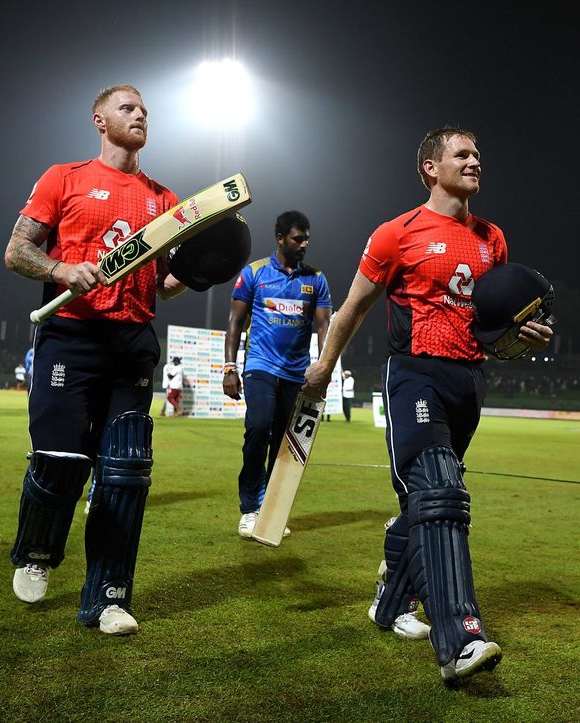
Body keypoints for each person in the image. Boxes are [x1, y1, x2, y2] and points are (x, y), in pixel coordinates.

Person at [302, 127, 552, 682]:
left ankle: (389, 605)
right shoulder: (397, 233)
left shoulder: (494, 239)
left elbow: (496, 325)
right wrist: (324, 366)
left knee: (426, 503)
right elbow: (352, 308)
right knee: (440, 490)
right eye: (462, 153)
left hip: (471, 383)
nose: (474, 160)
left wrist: (524, 334)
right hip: (415, 375)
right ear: (430, 169)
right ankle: (460, 639)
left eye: (477, 153)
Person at [2, 83, 190, 636]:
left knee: (126, 474)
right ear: (99, 119)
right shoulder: (64, 177)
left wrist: (206, 266)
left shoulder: (165, 198)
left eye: (145, 110)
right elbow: (17, 252)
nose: (141, 115)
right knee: (60, 459)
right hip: (70, 336)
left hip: (133, 342)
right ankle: (36, 551)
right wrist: (61, 270)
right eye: (128, 108)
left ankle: (108, 596)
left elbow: (170, 283)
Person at [224, 210, 331, 539]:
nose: (304, 244)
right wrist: (229, 367)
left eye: (307, 238)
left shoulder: (316, 279)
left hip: (297, 373)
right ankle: (249, 508)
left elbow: (325, 325)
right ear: (281, 238)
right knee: (258, 428)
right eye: (298, 238)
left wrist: (324, 366)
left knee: (286, 444)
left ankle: (271, 509)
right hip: (260, 366)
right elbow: (235, 324)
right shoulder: (254, 273)